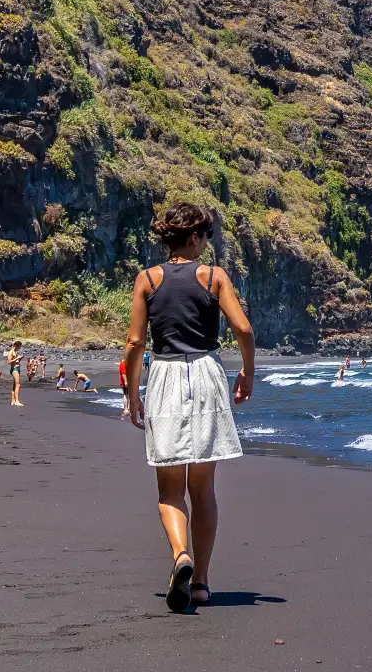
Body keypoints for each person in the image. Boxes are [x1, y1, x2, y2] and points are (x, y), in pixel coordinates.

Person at [124, 202, 255, 614]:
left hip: (163, 376)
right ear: (196, 236)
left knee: (169, 489)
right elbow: (243, 328)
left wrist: (131, 393)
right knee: (203, 489)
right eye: (207, 236)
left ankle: (181, 554)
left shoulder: (147, 279)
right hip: (205, 374)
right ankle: (200, 583)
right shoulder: (214, 277)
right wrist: (248, 373)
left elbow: (135, 343)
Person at [5, 341, 24, 407]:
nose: (19, 348)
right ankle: (17, 401)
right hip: (14, 370)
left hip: (17, 369)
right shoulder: (11, 352)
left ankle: (13, 400)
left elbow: (16, 361)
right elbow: (9, 362)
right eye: (19, 347)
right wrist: (17, 358)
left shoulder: (15, 352)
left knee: (15, 385)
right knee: (18, 385)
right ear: (16, 346)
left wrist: (20, 358)